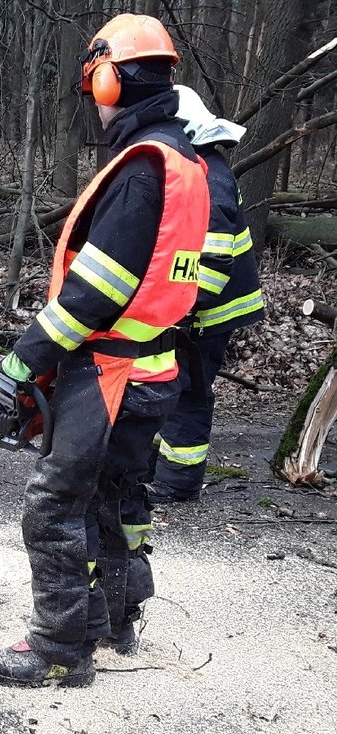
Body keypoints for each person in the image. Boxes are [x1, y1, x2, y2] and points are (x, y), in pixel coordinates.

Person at [0, 14, 210, 688]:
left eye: (95, 83)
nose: (95, 99)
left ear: (110, 77)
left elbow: (95, 291)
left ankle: (58, 649)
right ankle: (116, 618)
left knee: (55, 504)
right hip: (153, 363)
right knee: (114, 498)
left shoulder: (143, 169)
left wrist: (25, 360)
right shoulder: (185, 161)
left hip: (111, 369)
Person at [146, 85, 266, 504]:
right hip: (193, 307)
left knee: (189, 394)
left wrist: (180, 310)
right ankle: (153, 470)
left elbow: (213, 267)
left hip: (208, 311)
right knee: (166, 386)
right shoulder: (196, 168)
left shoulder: (209, 177)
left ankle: (177, 484)